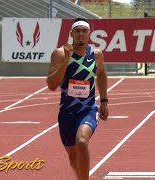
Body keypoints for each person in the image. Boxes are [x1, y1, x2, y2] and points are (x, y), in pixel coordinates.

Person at [46, 18, 108, 180]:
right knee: (73, 157)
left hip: (88, 109)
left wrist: (104, 102)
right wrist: (66, 60)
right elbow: (52, 85)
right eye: (77, 31)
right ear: (71, 33)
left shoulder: (96, 55)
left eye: (84, 31)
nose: (81, 34)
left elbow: (101, 74)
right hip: (66, 112)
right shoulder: (59, 54)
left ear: (89, 34)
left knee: (82, 141)